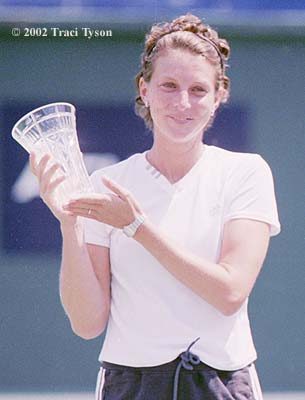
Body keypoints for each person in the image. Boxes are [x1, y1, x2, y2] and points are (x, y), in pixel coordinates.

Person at [30, 13, 280, 400]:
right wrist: (69, 225)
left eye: (199, 89)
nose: (183, 103)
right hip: (129, 384)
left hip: (222, 382)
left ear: (219, 97)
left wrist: (136, 228)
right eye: (168, 85)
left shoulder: (246, 173)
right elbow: (87, 322)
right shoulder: (107, 184)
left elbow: (230, 293)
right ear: (144, 90)